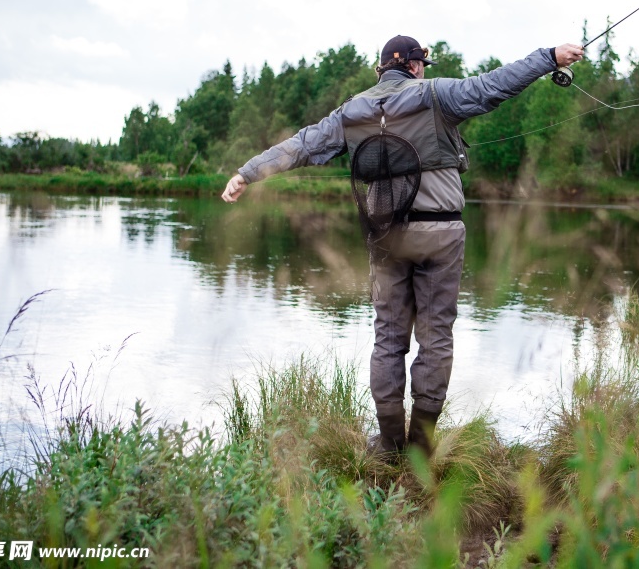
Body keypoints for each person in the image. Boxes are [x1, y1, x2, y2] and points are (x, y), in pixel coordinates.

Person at [221, 35, 583, 458]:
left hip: (386, 236)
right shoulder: (435, 94)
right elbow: (493, 86)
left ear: (382, 69)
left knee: (389, 339)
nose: (424, 70)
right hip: (441, 235)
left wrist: (247, 173)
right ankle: (422, 446)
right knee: (435, 338)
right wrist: (549, 58)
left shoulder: (351, 111)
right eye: (423, 64)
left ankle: (389, 443)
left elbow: (301, 145)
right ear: (414, 66)